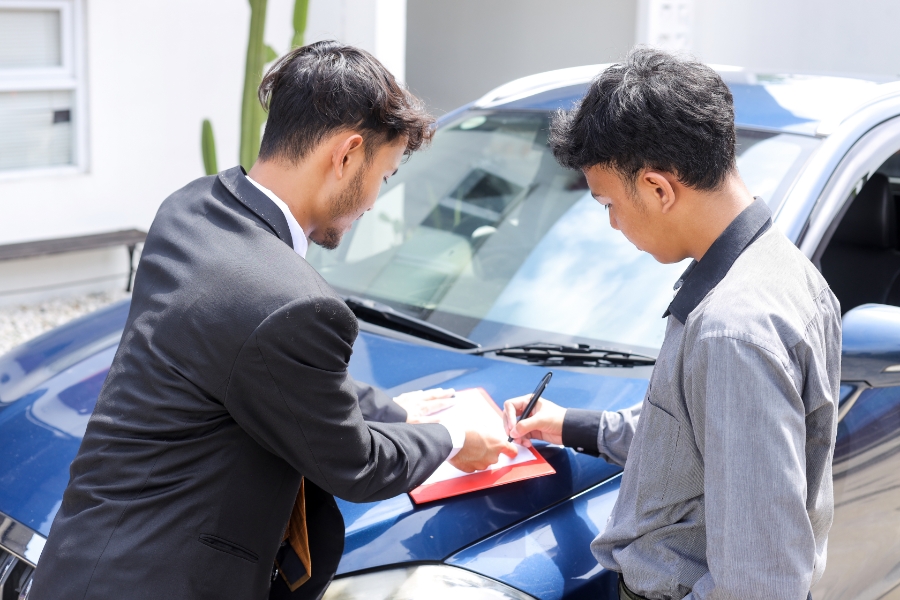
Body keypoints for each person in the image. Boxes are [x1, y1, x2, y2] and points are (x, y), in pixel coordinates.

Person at [30, 41, 516, 600]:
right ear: (347, 154)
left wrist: (395, 408)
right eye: (383, 178)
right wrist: (452, 437)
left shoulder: (190, 210)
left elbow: (252, 361)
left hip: (84, 557)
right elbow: (357, 464)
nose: (374, 203)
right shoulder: (292, 302)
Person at [503, 47, 840, 600]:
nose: (611, 223)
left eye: (607, 203)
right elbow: (699, 432)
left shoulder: (736, 329)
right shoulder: (780, 270)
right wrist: (572, 425)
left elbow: (760, 581)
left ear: (659, 189)